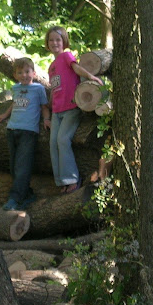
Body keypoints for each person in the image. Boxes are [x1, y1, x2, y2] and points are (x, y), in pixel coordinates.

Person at [46, 26, 103, 193]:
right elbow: (55, 87)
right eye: (51, 40)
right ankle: (61, 181)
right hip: (57, 111)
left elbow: (76, 68)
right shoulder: (51, 67)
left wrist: (90, 76)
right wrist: (49, 107)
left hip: (71, 106)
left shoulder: (66, 56)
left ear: (64, 41)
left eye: (58, 39)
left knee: (63, 139)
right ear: (47, 43)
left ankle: (72, 179)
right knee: (53, 143)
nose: (55, 43)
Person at [0, 57, 50, 210]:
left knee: (22, 166)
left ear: (34, 73)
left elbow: (44, 106)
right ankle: (28, 195)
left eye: (27, 71)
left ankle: (15, 199)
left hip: (28, 131)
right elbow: (14, 104)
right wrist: (5, 115)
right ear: (15, 75)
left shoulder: (38, 89)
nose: (24, 75)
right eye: (20, 72)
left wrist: (46, 119)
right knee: (13, 166)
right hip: (12, 130)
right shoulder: (16, 88)